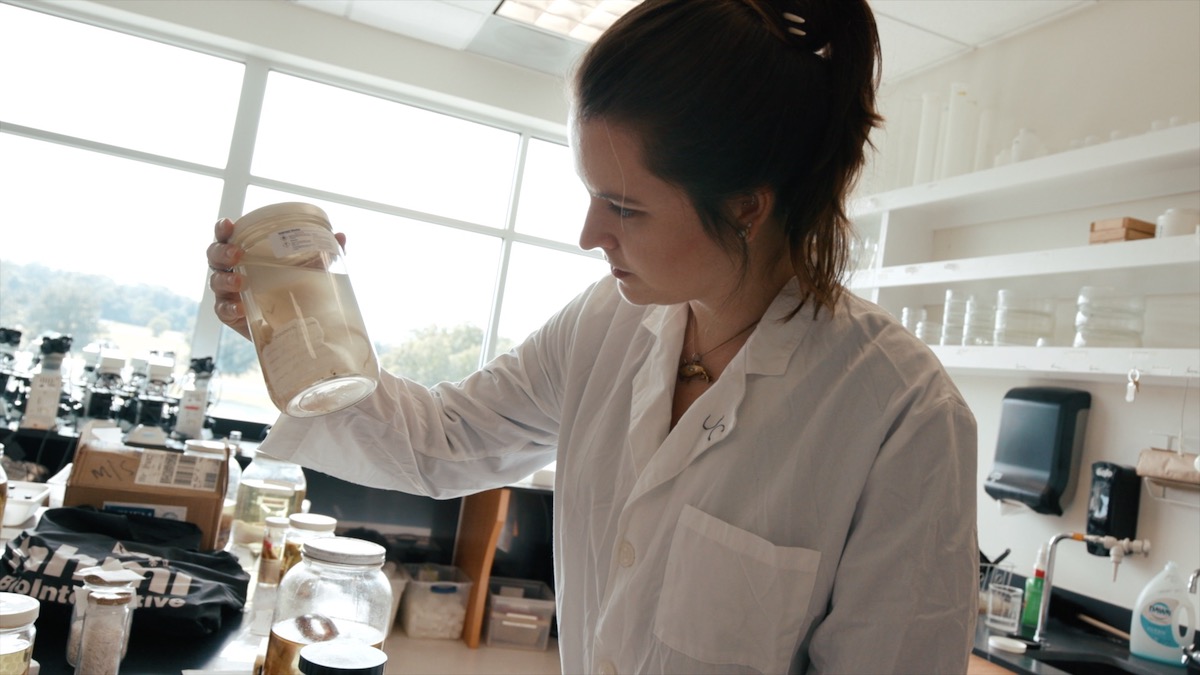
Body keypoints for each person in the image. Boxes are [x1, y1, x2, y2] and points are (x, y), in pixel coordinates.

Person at [207, 0, 979, 672]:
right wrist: (304, 332)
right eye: (589, 194)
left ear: (747, 205)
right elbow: (444, 441)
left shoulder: (902, 418)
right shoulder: (604, 323)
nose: (588, 234)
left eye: (625, 206)